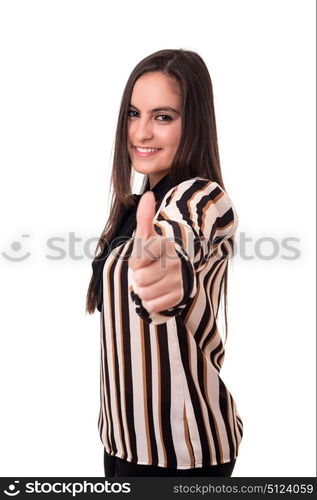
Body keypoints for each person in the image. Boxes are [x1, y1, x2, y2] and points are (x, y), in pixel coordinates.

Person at [86, 48, 243, 477]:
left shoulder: (201, 196)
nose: (140, 132)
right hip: (121, 445)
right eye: (134, 114)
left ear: (193, 124)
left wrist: (168, 270)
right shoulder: (133, 209)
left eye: (163, 116)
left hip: (184, 457)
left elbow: (180, 237)